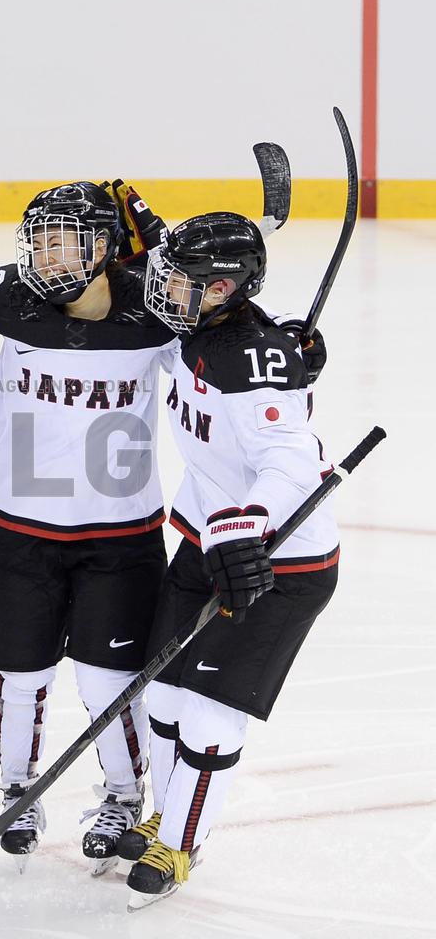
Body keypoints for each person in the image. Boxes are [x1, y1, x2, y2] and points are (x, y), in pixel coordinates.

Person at [0, 181, 178, 872]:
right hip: (20, 531)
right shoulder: (6, 297)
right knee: (18, 675)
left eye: (62, 242)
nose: (45, 258)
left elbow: (225, 320)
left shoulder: (155, 316)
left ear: (102, 248)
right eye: (37, 242)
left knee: (110, 680)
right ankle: (18, 790)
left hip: (121, 537)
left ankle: (124, 798)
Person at [116, 212, 340, 909]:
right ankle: (169, 809)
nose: (165, 291)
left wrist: (247, 527)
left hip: (277, 563)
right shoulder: (207, 327)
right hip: (208, 535)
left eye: (183, 283)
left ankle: (179, 845)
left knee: (209, 714)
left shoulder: (251, 356)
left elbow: (291, 461)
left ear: (221, 289)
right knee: (163, 693)